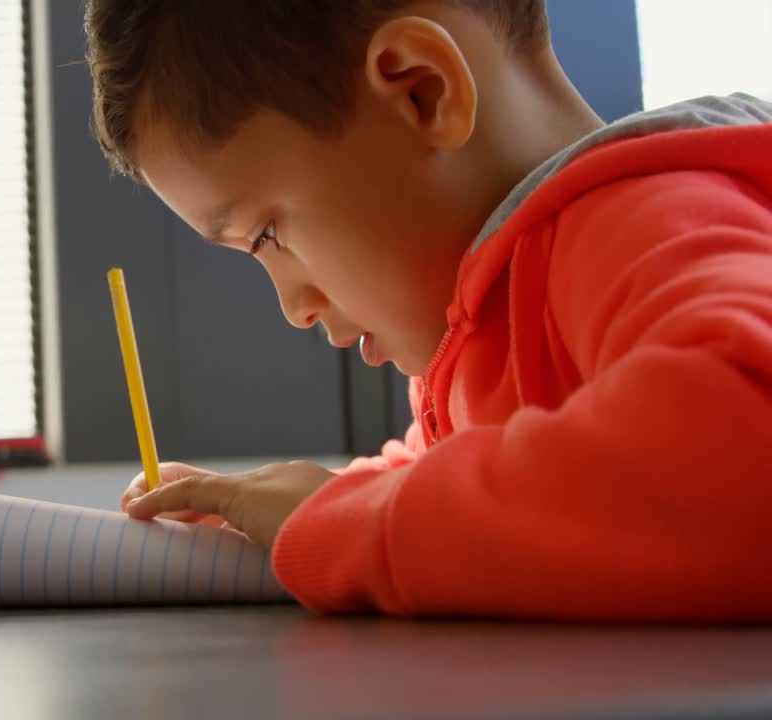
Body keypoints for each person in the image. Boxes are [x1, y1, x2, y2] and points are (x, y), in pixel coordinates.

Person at [85, 0, 772, 618]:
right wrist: (278, 517)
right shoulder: (495, 316)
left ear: (422, 91)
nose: (293, 306)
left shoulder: (647, 224)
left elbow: (746, 443)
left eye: (268, 235)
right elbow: (487, 488)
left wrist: (347, 523)